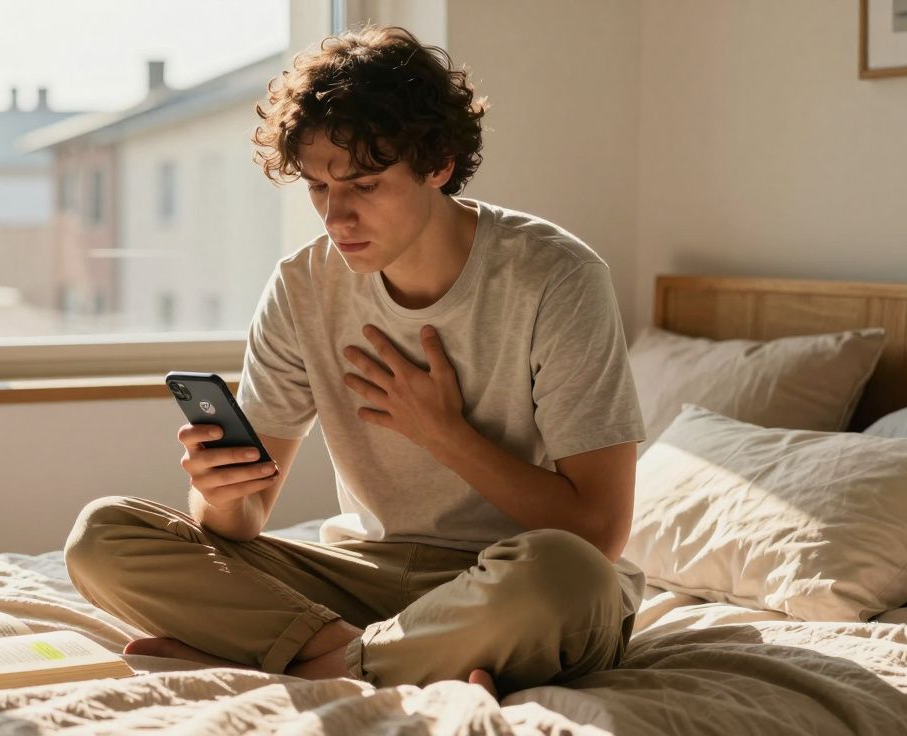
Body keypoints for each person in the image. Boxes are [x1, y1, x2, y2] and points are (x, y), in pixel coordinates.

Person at [64, 25, 646, 698]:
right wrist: (220, 495)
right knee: (103, 536)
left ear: (439, 164)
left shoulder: (556, 276)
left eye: (364, 185)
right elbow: (246, 520)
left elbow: (598, 531)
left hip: (507, 581)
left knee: (567, 578)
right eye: (317, 187)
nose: (336, 217)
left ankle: (303, 661)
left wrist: (445, 435)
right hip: (358, 578)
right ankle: (372, 656)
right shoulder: (303, 285)